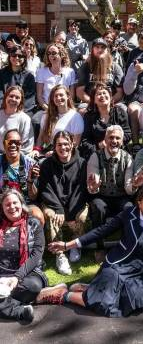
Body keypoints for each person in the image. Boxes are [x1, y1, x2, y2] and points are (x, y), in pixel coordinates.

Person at [48, 186, 143, 317]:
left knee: (134, 300)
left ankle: (89, 289)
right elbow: (100, 231)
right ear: (139, 203)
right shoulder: (129, 214)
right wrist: (67, 245)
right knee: (104, 305)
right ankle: (65, 295)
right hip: (116, 266)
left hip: (137, 270)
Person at [38, 131, 88, 275]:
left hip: (75, 203)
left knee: (82, 216)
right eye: (59, 144)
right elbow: (46, 189)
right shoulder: (47, 164)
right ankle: (60, 254)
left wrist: (71, 213)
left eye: (66, 144)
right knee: (52, 216)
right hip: (54, 203)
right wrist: (59, 209)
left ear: (72, 144)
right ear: (54, 146)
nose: (63, 147)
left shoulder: (82, 163)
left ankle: (74, 245)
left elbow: (81, 190)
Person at [0, 189, 54, 323]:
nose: (11, 207)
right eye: (7, 204)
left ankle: (6, 301)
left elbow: (36, 255)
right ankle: (20, 311)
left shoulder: (33, 224)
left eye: (14, 203)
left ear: (21, 203)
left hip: (27, 275)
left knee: (34, 286)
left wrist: (16, 277)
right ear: (2, 208)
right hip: (1, 277)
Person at [86, 126, 135, 258]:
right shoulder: (95, 156)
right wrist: (94, 186)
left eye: (117, 138)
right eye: (111, 137)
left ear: (122, 141)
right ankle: (100, 246)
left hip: (121, 196)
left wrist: (134, 184)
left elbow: (129, 189)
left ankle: (128, 245)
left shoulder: (128, 158)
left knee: (129, 208)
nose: (114, 141)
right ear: (105, 140)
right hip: (101, 196)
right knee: (98, 207)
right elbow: (92, 185)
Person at [79, 82, 132, 160]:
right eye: (98, 94)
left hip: (118, 152)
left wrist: (113, 141)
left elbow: (127, 133)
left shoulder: (120, 112)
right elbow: (85, 141)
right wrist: (99, 145)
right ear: (94, 100)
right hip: (97, 154)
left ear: (110, 97)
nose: (102, 96)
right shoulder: (89, 116)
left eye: (104, 93)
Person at [0, 130, 43, 224]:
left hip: (26, 203)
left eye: (17, 142)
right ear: (4, 144)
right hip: (3, 203)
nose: (13, 145)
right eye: (10, 142)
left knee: (38, 216)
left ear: (21, 145)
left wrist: (30, 181)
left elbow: (33, 197)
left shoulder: (31, 164)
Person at [76, 38, 124, 107]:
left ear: (107, 50)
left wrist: (108, 102)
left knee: (122, 108)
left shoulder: (115, 67)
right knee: (82, 109)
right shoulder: (85, 67)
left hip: (111, 102)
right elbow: (79, 91)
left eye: (103, 47)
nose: (100, 50)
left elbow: (120, 92)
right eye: (97, 47)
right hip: (90, 102)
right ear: (92, 50)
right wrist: (93, 102)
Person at [36, 85, 84, 150]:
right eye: (56, 96)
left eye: (61, 95)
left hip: (66, 153)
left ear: (68, 96)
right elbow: (40, 137)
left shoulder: (76, 117)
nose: (58, 98)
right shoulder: (47, 115)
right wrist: (37, 150)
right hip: (48, 151)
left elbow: (75, 144)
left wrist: (55, 153)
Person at [0, 47, 36, 115]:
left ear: (24, 58)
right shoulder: (1, 74)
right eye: (14, 55)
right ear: (9, 57)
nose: (17, 58)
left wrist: (18, 111)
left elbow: (30, 98)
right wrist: (5, 109)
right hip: (3, 108)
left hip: (22, 111)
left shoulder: (29, 77)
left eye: (20, 56)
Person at [0, 86, 34, 155]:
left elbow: (27, 146)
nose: (13, 99)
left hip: (15, 157)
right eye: (11, 96)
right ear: (6, 97)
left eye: (17, 98)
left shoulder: (25, 119)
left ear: (21, 101)